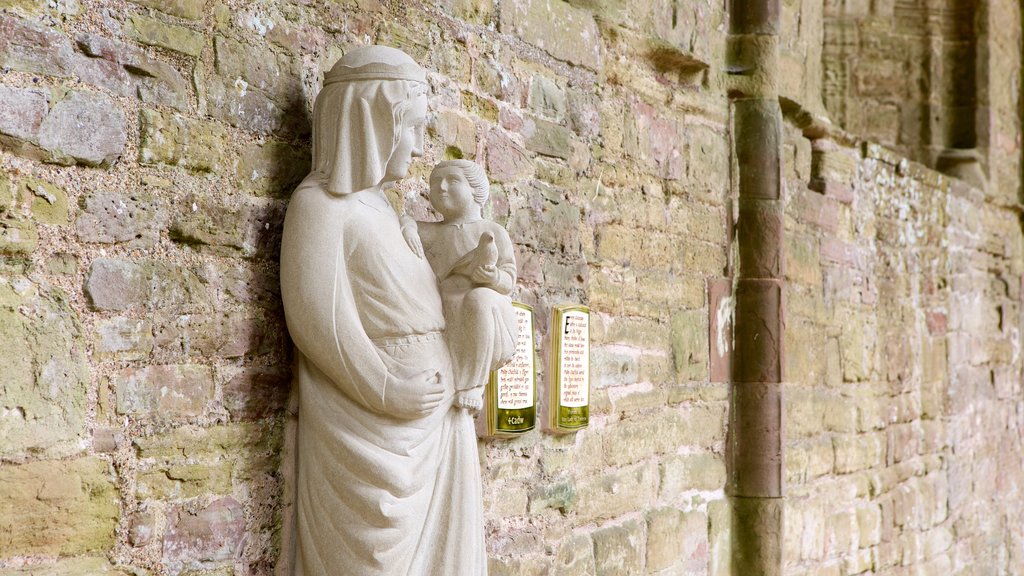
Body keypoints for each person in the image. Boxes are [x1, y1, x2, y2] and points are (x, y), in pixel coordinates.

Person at [279, 46, 485, 576]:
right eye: (412, 128)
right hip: (368, 426)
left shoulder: (386, 209)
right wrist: (387, 389)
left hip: (433, 422)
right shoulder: (320, 207)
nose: (418, 146)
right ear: (374, 123)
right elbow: (318, 321)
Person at [401, 160, 518, 413]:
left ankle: (473, 384)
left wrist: (492, 277)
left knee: (480, 299)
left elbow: (508, 280)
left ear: (476, 189)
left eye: (452, 181)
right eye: (435, 182)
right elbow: (401, 221)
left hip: (490, 315)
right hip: (448, 310)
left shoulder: (492, 231)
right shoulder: (430, 232)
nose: (441, 187)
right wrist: (408, 227)